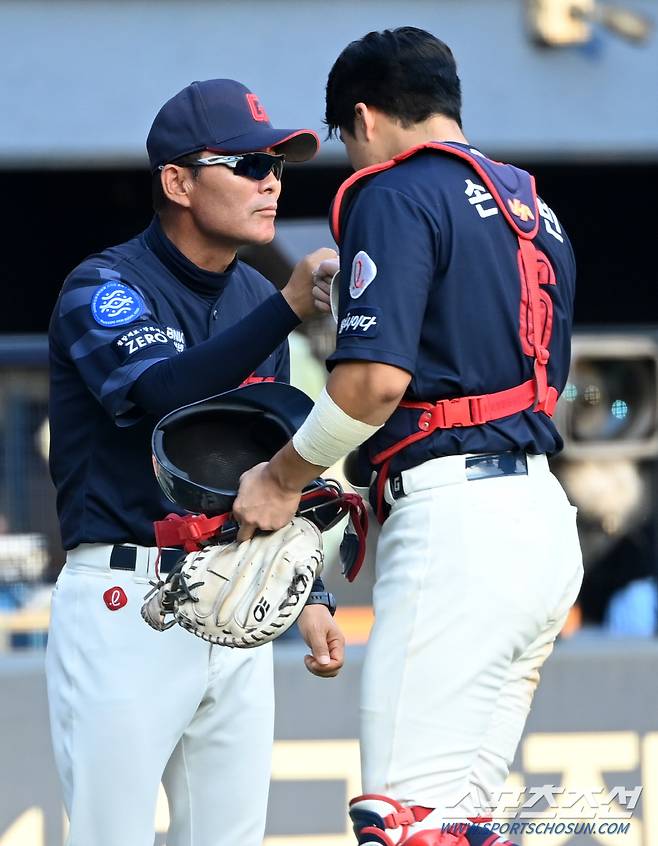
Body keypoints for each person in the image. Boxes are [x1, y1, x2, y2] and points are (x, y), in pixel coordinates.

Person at [233, 28, 584, 846]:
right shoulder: (534, 205)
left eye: (344, 139)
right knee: (461, 823)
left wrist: (282, 478)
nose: (350, 157)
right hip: (539, 521)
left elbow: (372, 384)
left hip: (459, 527)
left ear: (363, 116)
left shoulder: (392, 191)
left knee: (404, 820)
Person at [46, 77, 344, 846]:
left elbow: (278, 462)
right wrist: (286, 306)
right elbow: (161, 395)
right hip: (126, 597)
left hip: (237, 597)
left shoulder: (254, 298)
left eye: (277, 164)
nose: (271, 179)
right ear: (177, 180)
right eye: (247, 163)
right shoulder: (104, 285)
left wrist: (308, 595)